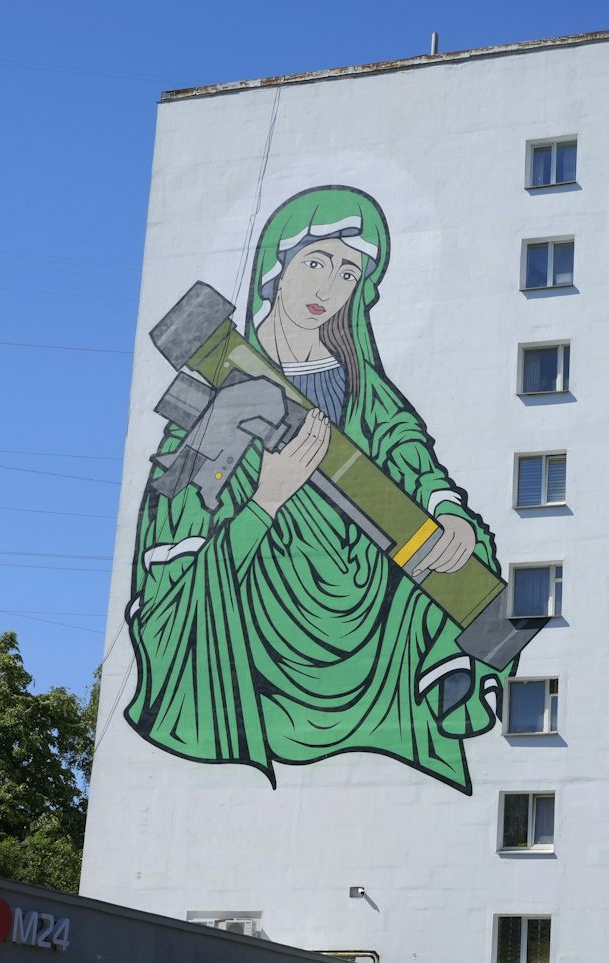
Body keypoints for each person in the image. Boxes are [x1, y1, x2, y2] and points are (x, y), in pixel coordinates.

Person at [125, 185, 509, 795]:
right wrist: (266, 501)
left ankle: (447, 678)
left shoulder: (360, 382)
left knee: (468, 551)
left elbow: (406, 448)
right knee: (196, 582)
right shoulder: (226, 376)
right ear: (276, 267)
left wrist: (448, 509)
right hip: (262, 578)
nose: (328, 287)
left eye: (349, 273)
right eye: (316, 262)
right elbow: (180, 510)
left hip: (368, 563)